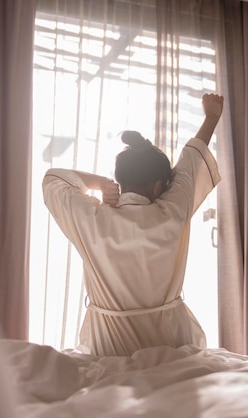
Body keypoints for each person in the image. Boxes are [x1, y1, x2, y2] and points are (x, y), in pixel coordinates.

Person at [42, 93, 223, 356]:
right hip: (173, 348)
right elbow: (191, 161)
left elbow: (53, 179)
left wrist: (100, 184)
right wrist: (212, 117)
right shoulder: (172, 212)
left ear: (121, 179)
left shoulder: (93, 220)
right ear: (159, 186)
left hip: (108, 349)